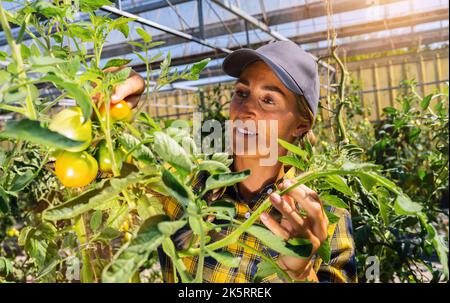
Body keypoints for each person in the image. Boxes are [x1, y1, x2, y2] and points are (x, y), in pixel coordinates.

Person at [109, 40, 357, 283]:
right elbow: (108, 179)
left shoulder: (323, 217)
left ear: (301, 125)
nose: (246, 109)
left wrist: (300, 273)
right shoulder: (185, 182)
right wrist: (109, 107)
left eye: (268, 100)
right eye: (242, 93)